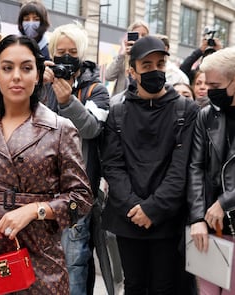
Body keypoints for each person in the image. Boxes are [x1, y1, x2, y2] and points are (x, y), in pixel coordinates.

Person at [0, 35, 93, 294]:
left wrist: (35, 210)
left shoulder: (60, 130)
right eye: (7, 68)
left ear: (37, 75)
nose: (16, 76)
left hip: (39, 257)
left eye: (26, 68)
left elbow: (80, 200)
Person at [101, 36, 199, 294]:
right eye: (147, 66)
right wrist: (134, 207)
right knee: (134, 285)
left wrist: (153, 209)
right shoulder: (118, 112)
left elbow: (182, 168)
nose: (155, 71)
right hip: (128, 217)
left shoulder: (186, 110)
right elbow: (112, 165)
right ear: (132, 71)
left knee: (164, 286)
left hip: (167, 220)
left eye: (160, 64)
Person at [42, 22, 112, 295]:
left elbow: (92, 128)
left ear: (82, 54)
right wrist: (40, 85)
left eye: (73, 51)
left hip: (75, 195)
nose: (67, 57)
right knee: (43, 265)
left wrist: (69, 101)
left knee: (74, 264)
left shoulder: (96, 90)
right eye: (61, 51)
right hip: (41, 193)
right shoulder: (42, 85)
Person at [188, 47, 235, 295]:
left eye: (215, 84)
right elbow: (195, 167)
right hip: (208, 227)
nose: (209, 89)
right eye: (205, 82)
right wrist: (197, 218)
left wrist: (224, 202)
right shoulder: (206, 114)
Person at [105, 20, 149, 96]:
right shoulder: (123, 57)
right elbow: (108, 76)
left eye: (143, 35)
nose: (140, 38)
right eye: (137, 35)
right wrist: (122, 54)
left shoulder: (149, 58)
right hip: (122, 103)